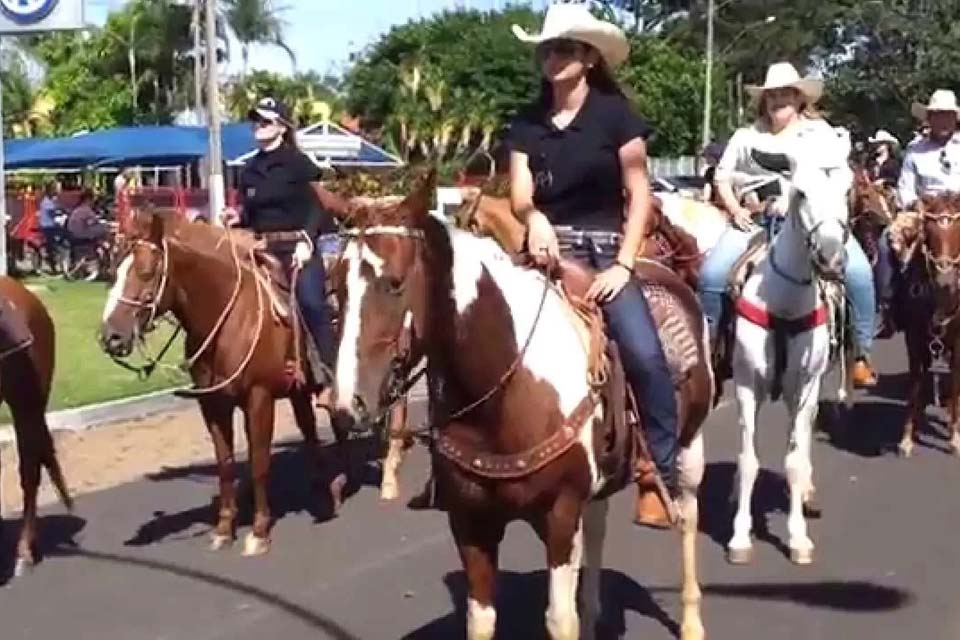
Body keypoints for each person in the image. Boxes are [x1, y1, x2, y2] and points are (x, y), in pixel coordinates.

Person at [508, 3, 678, 527]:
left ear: (587, 58)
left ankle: (659, 473)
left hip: (606, 247)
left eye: (562, 49)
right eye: (546, 49)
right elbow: (518, 195)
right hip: (546, 248)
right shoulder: (526, 123)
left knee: (647, 354)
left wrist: (625, 265)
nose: (551, 58)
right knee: (477, 329)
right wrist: (532, 217)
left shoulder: (614, 116)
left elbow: (639, 191)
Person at [698, 62, 879, 387]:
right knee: (711, 275)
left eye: (785, 94)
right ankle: (711, 349)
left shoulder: (821, 133)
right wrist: (736, 208)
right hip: (756, 219)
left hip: (814, 219)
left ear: (799, 99)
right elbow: (722, 177)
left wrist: (804, 202)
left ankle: (861, 355)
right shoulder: (745, 136)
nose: (778, 100)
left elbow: (840, 175)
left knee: (860, 275)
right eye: (772, 95)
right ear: (763, 100)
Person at [221, 96, 340, 386]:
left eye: (265, 122)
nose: (258, 127)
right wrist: (237, 217)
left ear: (281, 128)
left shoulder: (298, 163)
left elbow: (318, 205)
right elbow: (252, 214)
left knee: (311, 302)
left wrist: (307, 240)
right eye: (256, 122)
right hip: (261, 249)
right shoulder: (248, 170)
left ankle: (329, 373)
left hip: (297, 247)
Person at [876, 90, 960, 334]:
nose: (942, 121)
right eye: (937, 116)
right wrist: (918, 204)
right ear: (929, 119)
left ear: (955, 118)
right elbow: (905, 188)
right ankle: (890, 305)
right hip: (924, 210)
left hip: (958, 211)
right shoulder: (915, 149)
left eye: (947, 116)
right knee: (886, 241)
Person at [38, 181, 62, 272]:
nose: (59, 190)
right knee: (52, 244)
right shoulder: (47, 201)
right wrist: (59, 212)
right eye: (58, 188)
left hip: (51, 225)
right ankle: (52, 261)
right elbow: (52, 211)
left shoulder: (51, 200)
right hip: (47, 226)